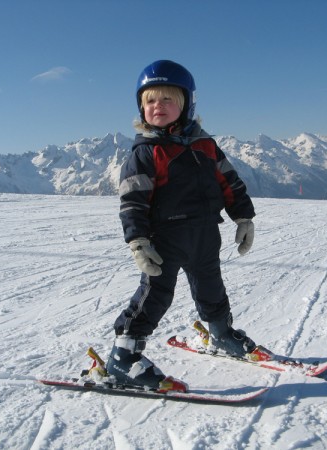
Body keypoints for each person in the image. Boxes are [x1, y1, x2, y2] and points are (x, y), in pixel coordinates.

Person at [106, 60, 257, 392]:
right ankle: (123, 355)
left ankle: (220, 334)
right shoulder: (146, 152)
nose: (157, 106)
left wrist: (244, 217)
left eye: (167, 99)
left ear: (187, 104)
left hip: (205, 234)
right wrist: (138, 241)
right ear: (141, 108)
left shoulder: (206, 146)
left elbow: (230, 183)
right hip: (165, 239)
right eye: (149, 101)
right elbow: (132, 202)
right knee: (154, 295)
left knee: (212, 289)